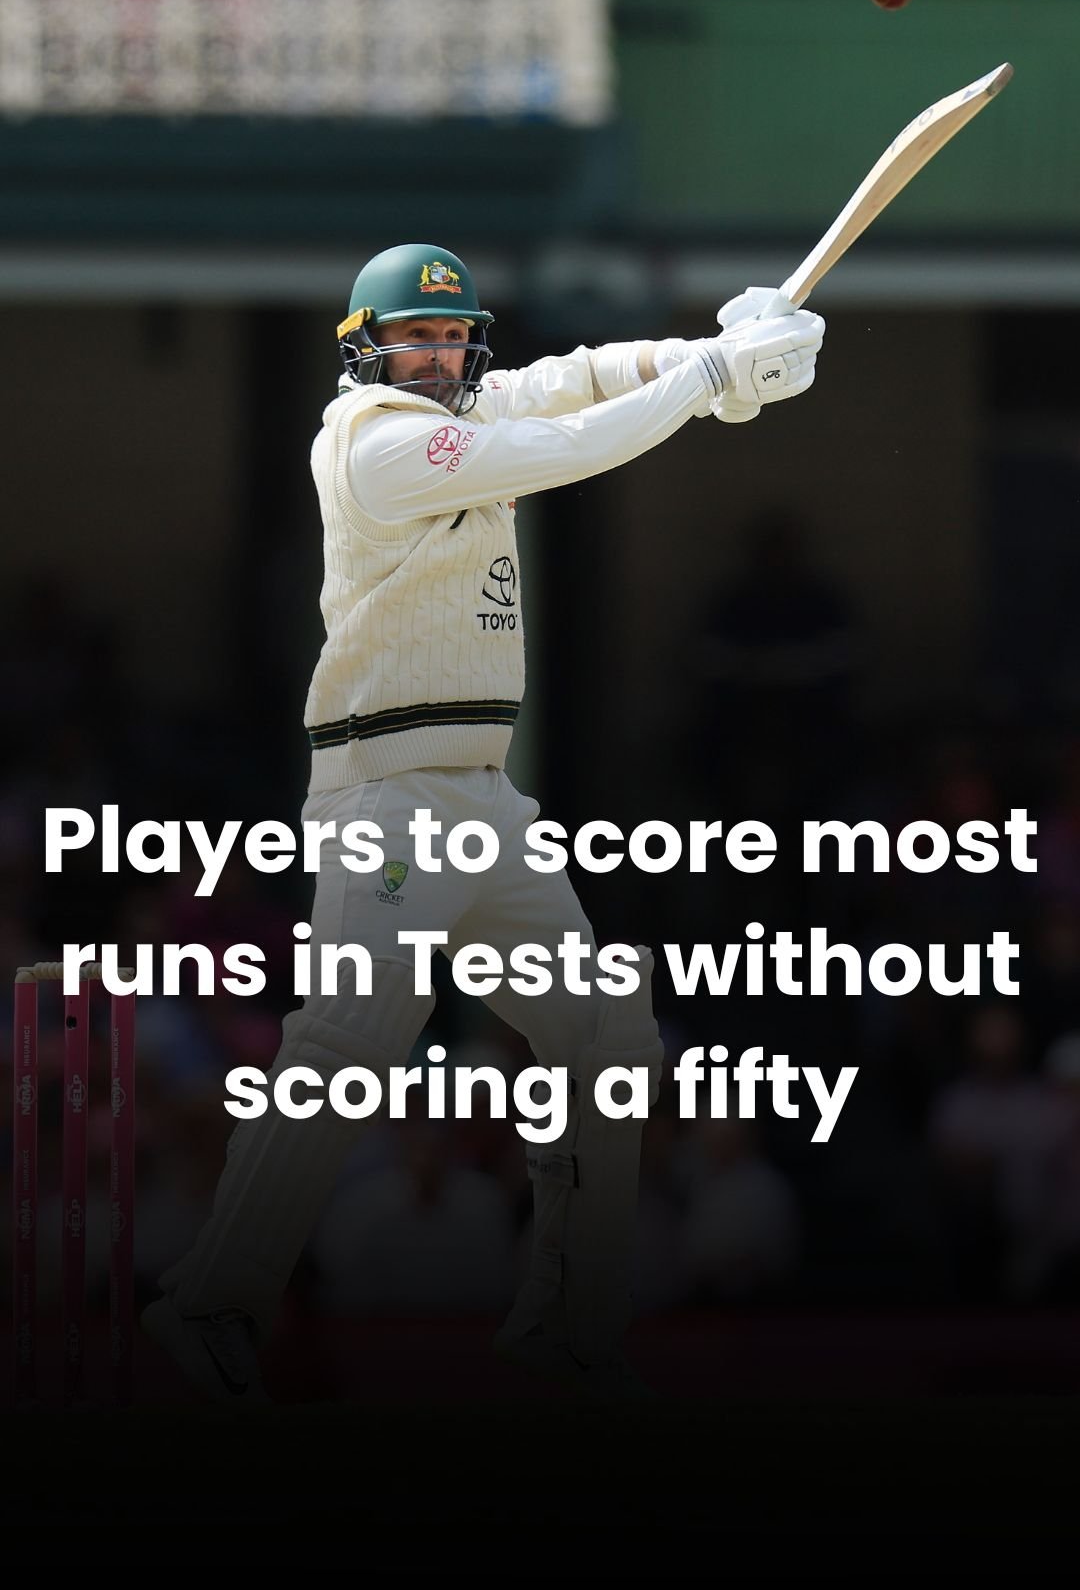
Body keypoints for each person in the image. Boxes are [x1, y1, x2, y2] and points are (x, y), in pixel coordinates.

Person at [143, 247, 825, 1403]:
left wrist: (711, 346)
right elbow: (565, 447)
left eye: (455, 336)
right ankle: (209, 1305)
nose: (441, 355)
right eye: (418, 337)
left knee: (608, 1038)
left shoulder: (472, 404)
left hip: (484, 796)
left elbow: (584, 377)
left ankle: (564, 1327)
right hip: (387, 792)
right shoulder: (374, 441)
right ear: (365, 348)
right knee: (352, 1042)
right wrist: (714, 378)